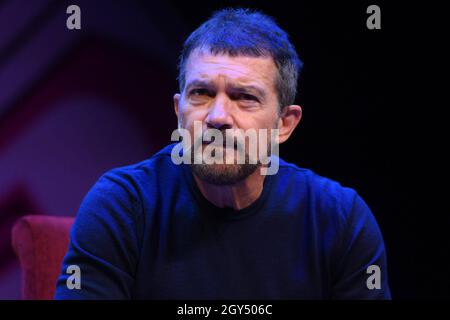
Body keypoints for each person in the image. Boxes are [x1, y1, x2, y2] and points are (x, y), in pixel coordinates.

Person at [55, 8, 391, 299]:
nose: (217, 117)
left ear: (284, 124)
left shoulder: (339, 219)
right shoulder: (121, 205)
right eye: (200, 93)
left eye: (244, 97)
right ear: (179, 110)